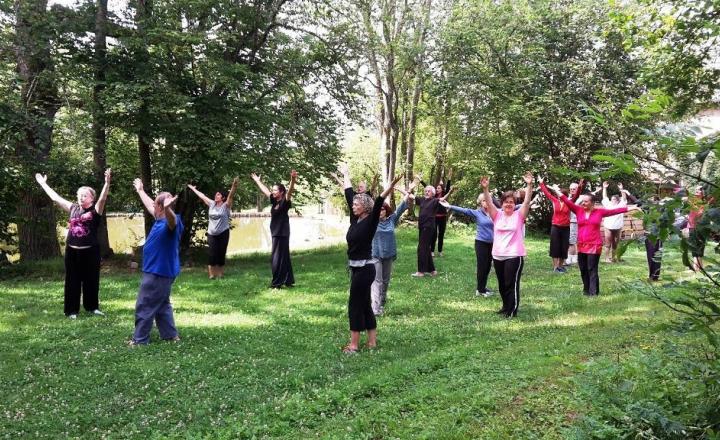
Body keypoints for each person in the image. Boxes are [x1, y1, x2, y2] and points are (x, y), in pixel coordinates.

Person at [35, 169, 112, 319]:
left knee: (91, 280)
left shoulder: (96, 210)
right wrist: (43, 184)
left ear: (91, 198)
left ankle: (92, 307)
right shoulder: (73, 208)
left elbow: (103, 199)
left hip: (90, 252)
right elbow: (55, 198)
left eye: (85, 195)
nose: (81, 197)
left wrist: (107, 183)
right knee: (72, 281)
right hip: (72, 251)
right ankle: (71, 311)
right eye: (79, 195)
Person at [341, 170, 403, 353]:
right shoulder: (356, 220)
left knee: (355, 305)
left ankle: (353, 345)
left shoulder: (370, 222)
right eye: (353, 204)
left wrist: (390, 187)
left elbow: (377, 203)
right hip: (357, 268)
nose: (353, 206)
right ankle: (372, 342)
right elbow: (348, 193)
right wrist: (345, 173)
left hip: (365, 269)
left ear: (365, 207)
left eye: (356, 204)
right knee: (365, 305)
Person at [549, 182, 638, 296]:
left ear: (592, 203)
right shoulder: (578, 210)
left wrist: (632, 207)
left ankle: (593, 292)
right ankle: (586, 290)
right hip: (581, 244)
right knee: (583, 269)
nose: (583, 203)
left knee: (592, 268)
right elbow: (565, 200)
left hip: (594, 245)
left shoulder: (599, 212)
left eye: (586, 201)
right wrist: (556, 190)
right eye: (583, 201)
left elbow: (616, 210)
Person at [129, 178, 182, 345]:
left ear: (162, 207)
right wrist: (140, 190)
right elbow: (150, 204)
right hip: (160, 271)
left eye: (157, 205)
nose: (153, 206)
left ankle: (139, 340)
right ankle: (170, 335)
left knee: (145, 304)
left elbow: (172, 221)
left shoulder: (172, 222)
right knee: (161, 304)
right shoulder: (159, 218)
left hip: (158, 272)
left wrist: (167, 209)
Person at [481, 173, 533, 318]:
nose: (509, 204)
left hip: (514, 255)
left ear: (514, 204)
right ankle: (505, 307)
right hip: (498, 254)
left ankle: (512, 310)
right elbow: (489, 202)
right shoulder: (496, 215)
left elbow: (527, 202)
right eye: (506, 202)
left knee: (511, 283)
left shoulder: (519, 215)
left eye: (511, 202)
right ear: (502, 203)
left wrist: (529, 185)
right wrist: (485, 188)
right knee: (502, 284)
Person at [439, 191, 495, 297]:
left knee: (488, 266)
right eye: (484, 200)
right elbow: (463, 210)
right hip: (481, 243)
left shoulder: (495, 212)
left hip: (492, 243)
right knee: (482, 266)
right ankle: (479, 290)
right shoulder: (477, 213)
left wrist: (526, 204)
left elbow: (510, 208)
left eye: (488, 200)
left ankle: (483, 287)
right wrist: (449, 206)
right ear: (480, 203)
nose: (486, 202)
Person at [250, 170, 297, 288]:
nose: (273, 191)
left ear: (281, 192)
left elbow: (290, 191)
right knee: (284, 256)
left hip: (281, 233)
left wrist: (293, 179)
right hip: (276, 233)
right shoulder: (274, 201)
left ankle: (277, 283)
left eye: (275, 190)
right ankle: (288, 280)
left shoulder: (284, 202)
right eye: (273, 190)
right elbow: (265, 191)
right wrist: (258, 181)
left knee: (276, 258)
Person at [187, 177, 239, 279]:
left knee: (221, 253)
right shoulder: (212, 204)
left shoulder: (226, 206)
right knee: (212, 253)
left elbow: (231, 195)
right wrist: (193, 189)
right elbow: (202, 196)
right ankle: (211, 275)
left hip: (223, 232)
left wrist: (234, 186)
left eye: (218, 194)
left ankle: (220, 274)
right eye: (216, 194)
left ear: (223, 197)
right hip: (212, 233)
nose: (216, 195)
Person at [370, 187, 410, 316]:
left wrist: (407, 192)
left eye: (382, 209)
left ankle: (381, 302)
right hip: (375, 254)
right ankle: (375, 307)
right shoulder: (372, 221)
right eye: (378, 209)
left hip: (389, 254)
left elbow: (402, 206)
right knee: (377, 281)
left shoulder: (392, 219)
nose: (380, 211)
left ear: (386, 210)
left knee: (386, 280)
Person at [538, 178, 570, 273]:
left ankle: (561, 266)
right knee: (555, 246)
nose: (559, 195)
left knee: (564, 247)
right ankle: (555, 267)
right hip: (555, 227)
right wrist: (541, 183)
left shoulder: (569, 202)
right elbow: (547, 193)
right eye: (558, 194)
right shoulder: (554, 200)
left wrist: (580, 186)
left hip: (566, 228)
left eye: (562, 194)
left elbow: (576, 195)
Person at [601, 181, 627, 263]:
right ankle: (606, 258)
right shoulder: (608, 205)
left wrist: (621, 189)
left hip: (618, 227)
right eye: (612, 199)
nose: (613, 200)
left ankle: (613, 257)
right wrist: (604, 188)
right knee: (607, 242)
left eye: (615, 199)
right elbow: (604, 197)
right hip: (608, 226)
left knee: (615, 243)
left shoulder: (621, 205)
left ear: (618, 200)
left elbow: (624, 198)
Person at [688, 185, 711, 271]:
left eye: (699, 190)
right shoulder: (692, 201)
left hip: (701, 228)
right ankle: (696, 267)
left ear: (703, 192)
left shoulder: (704, 203)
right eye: (696, 190)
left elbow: (702, 214)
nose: (697, 191)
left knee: (701, 246)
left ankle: (700, 266)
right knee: (694, 247)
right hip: (692, 227)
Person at [565, 179, 585, 266]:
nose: (572, 190)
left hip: (575, 221)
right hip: (567, 221)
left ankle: (571, 258)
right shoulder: (568, 197)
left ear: (577, 189)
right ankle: (573, 257)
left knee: (572, 241)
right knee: (570, 240)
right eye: (571, 189)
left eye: (574, 189)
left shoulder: (580, 199)